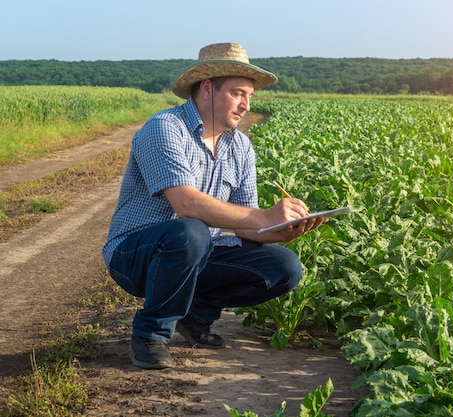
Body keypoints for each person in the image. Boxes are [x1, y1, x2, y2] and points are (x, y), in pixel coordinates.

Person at [102, 42, 326, 369]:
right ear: (207, 88)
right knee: (192, 232)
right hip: (135, 253)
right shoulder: (165, 128)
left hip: (198, 251)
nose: (246, 105)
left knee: (284, 267)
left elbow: (245, 225)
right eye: (237, 93)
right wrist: (264, 215)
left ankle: (195, 314)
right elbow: (186, 203)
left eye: (249, 96)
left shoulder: (241, 148)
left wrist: (279, 231)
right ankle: (150, 335)